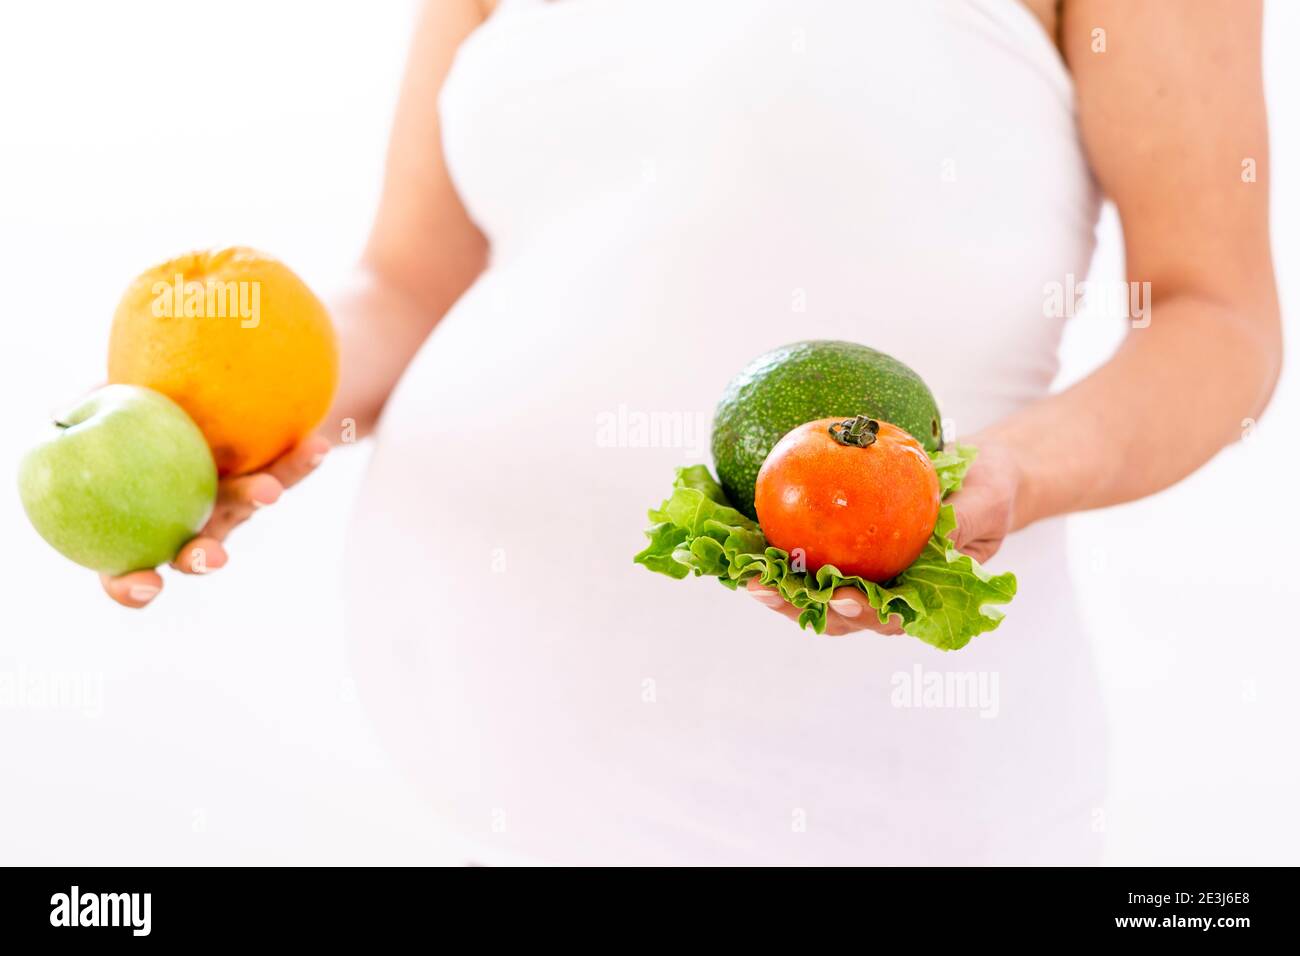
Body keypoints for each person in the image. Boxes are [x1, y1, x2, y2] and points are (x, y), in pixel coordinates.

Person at [100, 0, 1281, 865]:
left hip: (878, 807)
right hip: (467, 783)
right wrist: (238, 418)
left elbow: (1215, 316)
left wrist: (1008, 476)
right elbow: (408, 279)